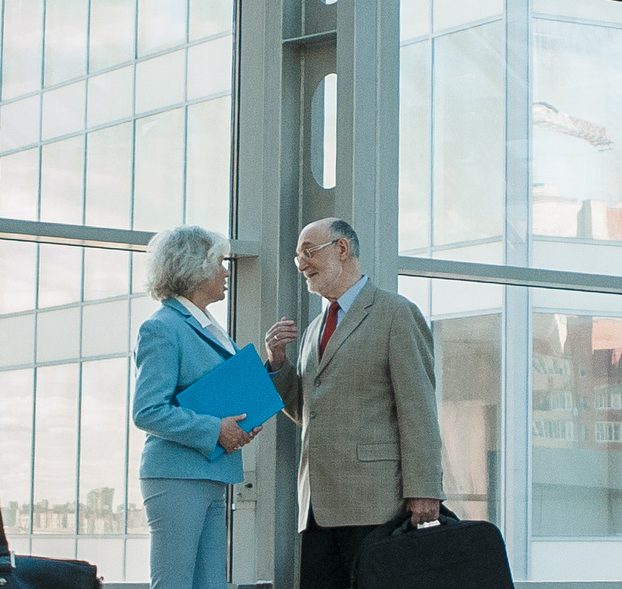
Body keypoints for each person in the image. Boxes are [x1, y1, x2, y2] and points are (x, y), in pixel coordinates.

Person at [257, 218, 443, 589]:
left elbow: (418, 408)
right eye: (298, 258)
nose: (302, 265)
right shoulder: (314, 328)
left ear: (342, 249)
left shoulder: (395, 313)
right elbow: (307, 411)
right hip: (317, 505)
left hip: (376, 502)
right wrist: (278, 363)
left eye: (308, 252)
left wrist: (424, 490)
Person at [131, 226, 254, 589]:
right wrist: (216, 429)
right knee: (175, 584)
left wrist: (244, 420)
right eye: (220, 262)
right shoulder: (162, 328)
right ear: (196, 268)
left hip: (210, 473)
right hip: (176, 475)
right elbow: (148, 410)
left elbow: (216, 393)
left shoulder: (208, 326)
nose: (226, 271)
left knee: (212, 583)